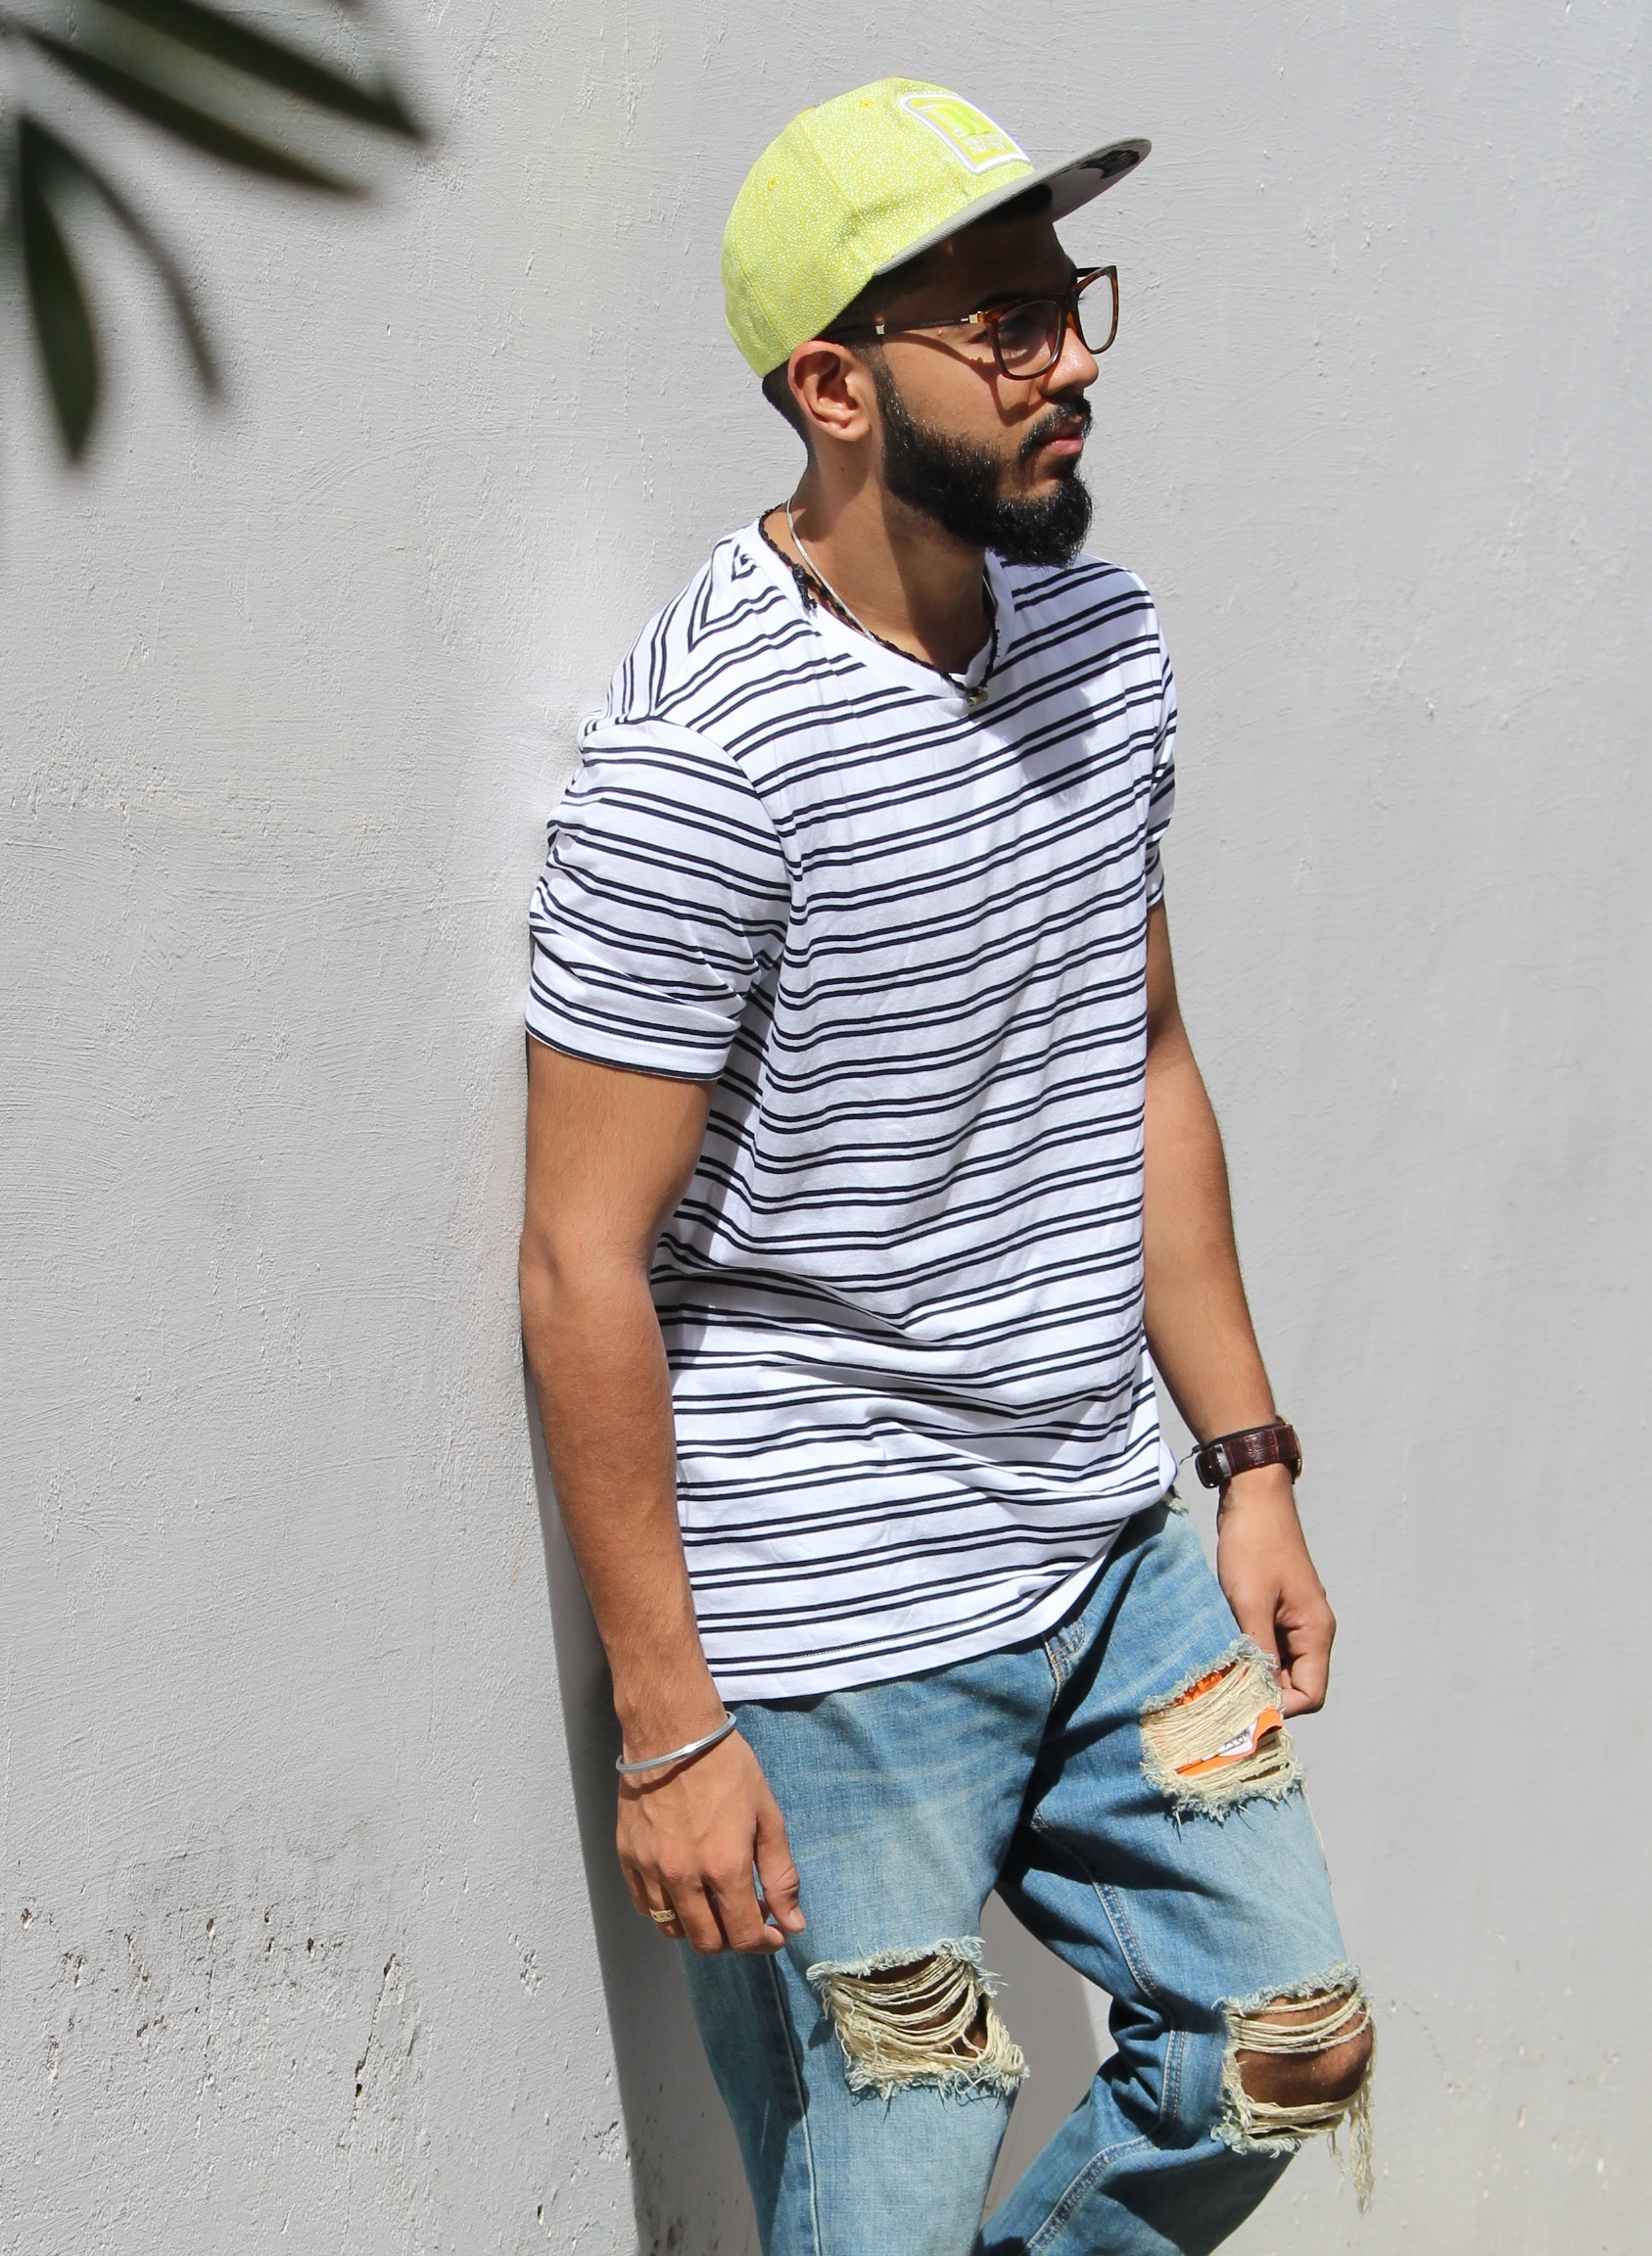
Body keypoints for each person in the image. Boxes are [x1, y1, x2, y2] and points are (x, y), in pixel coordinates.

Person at [518, 77, 1371, 2256]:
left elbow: (1139, 1055)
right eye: (1003, 324)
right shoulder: (702, 756)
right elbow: (581, 1263)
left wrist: (1248, 1459)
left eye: (1068, 305)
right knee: (883, 2192)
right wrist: (668, 1728)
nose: (1069, 359)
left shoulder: (1105, 645)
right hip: (829, 1636)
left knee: (1282, 2037)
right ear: (834, 386)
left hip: (1104, 1553)